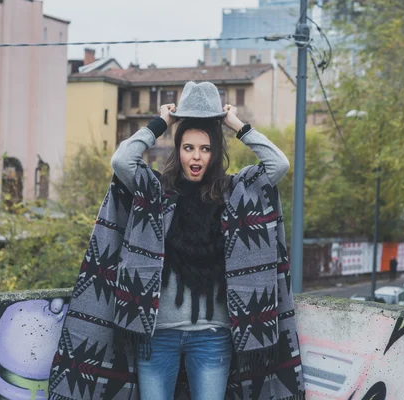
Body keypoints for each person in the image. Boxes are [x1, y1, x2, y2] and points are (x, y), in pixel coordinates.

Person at [49, 82, 305, 400]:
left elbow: (278, 164)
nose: (196, 157)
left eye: (205, 148)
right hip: (157, 335)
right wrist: (162, 122)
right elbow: (121, 161)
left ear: (215, 153)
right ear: (178, 150)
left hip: (212, 336)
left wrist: (236, 125)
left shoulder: (235, 193)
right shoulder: (156, 191)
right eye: (188, 148)